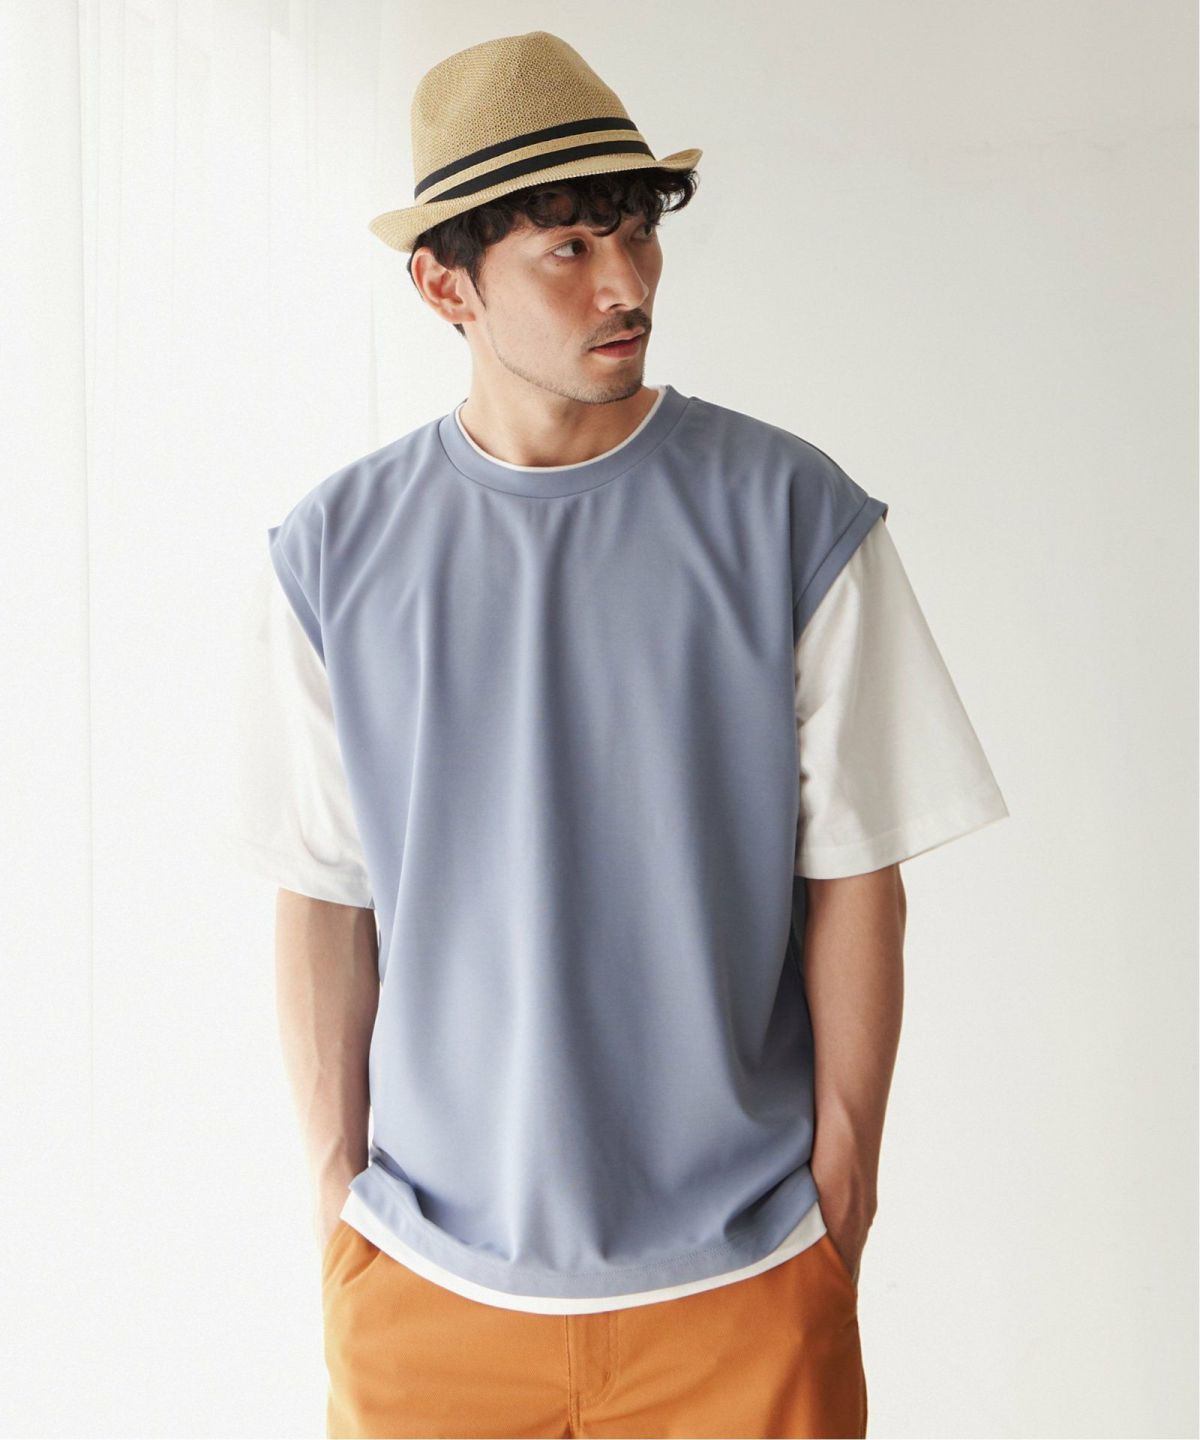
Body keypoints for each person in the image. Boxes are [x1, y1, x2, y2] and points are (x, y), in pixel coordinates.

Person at [234, 29, 1009, 1440]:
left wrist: (841, 1204)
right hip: (425, 1295)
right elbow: (324, 895)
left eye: (639, 234)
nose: (628, 284)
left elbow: (859, 877)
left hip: (744, 1289)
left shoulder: (792, 515)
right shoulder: (334, 554)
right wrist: (338, 1209)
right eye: (570, 249)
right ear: (445, 284)